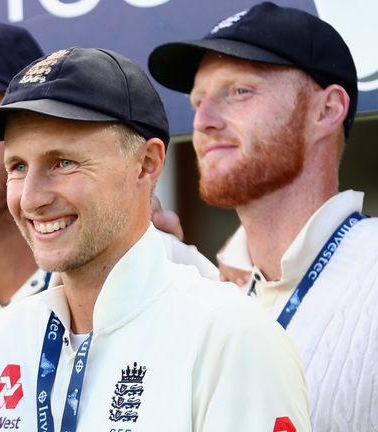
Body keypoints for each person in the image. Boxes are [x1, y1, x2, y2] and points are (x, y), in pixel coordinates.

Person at [0, 47, 311, 431]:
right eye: (18, 167)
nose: (33, 197)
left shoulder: (230, 334)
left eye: (63, 162)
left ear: (148, 163)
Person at [148, 2, 378, 430]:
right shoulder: (204, 290)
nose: (203, 121)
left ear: (326, 110)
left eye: (239, 91)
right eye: (198, 100)